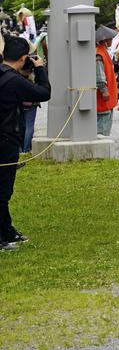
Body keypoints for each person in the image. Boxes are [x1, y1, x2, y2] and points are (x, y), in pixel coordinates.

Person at [0, 36, 51, 249]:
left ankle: (8, 231)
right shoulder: (15, 81)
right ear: (23, 58)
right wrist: (39, 68)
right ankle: (2, 239)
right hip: (5, 142)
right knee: (2, 192)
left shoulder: (7, 76)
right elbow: (43, 93)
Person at [95, 25, 118, 137]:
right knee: (103, 121)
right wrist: (103, 89)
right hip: (102, 95)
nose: (112, 41)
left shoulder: (102, 51)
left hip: (106, 94)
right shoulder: (99, 54)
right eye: (110, 39)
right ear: (104, 40)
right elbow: (99, 74)